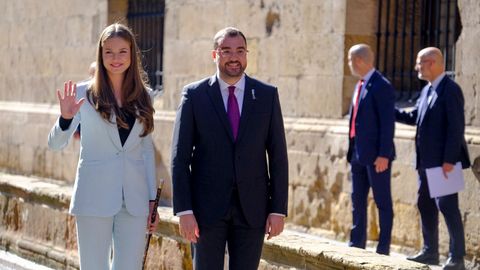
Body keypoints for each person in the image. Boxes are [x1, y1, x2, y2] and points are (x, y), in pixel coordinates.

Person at [171, 27, 289, 270]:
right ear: (215, 55)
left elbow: (278, 157)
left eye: (240, 51)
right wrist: (184, 210)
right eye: (226, 51)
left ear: (247, 54)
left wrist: (278, 209)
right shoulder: (194, 96)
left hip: (253, 209)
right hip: (205, 210)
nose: (234, 57)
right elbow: (179, 158)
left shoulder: (267, 96)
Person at [48, 23, 159, 270]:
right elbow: (55, 144)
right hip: (93, 196)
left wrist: (152, 200)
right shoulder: (82, 93)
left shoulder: (146, 96)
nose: (116, 58)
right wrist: (65, 119)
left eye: (122, 51)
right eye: (109, 52)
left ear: (132, 54)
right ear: (100, 54)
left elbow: (146, 151)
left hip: (135, 199)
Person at [396, 47, 470, 270]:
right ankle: (430, 252)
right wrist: (388, 109)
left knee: (448, 207)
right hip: (425, 163)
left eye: (420, 63)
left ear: (434, 63)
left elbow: (456, 128)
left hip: (443, 163)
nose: (417, 67)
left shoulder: (451, 89)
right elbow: (414, 116)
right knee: (425, 205)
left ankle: (457, 258)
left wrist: (449, 160)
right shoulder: (428, 90)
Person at [346, 44, 395, 255]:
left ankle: (383, 247)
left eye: (350, 60)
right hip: (357, 153)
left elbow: (387, 123)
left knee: (382, 201)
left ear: (359, 61)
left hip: (377, 156)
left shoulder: (381, 85)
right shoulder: (360, 84)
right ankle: (357, 243)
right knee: (357, 199)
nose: (348, 64)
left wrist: (384, 154)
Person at [73, 61, 97, 140]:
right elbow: (78, 111)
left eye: (95, 73)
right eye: (92, 73)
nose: (93, 76)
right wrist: (77, 130)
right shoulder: (82, 89)